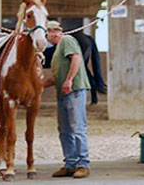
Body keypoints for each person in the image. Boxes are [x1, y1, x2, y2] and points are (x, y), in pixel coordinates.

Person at [45, 21, 90, 179]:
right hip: (63, 92)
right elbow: (57, 76)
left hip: (74, 89)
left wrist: (69, 80)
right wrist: (39, 85)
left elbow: (76, 59)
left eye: (53, 32)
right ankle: (70, 164)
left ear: (56, 32)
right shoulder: (57, 51)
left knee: (77, 127)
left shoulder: (67, 40)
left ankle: (83, 164)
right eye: (49, 32)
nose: (50, 35)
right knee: (64, 130)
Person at [43, 30, 107, 104]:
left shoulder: (67, 42)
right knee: (84, 68)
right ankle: (94, 98)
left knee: (79, 67)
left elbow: (76, 59)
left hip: (73, 88)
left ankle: (92, 97)